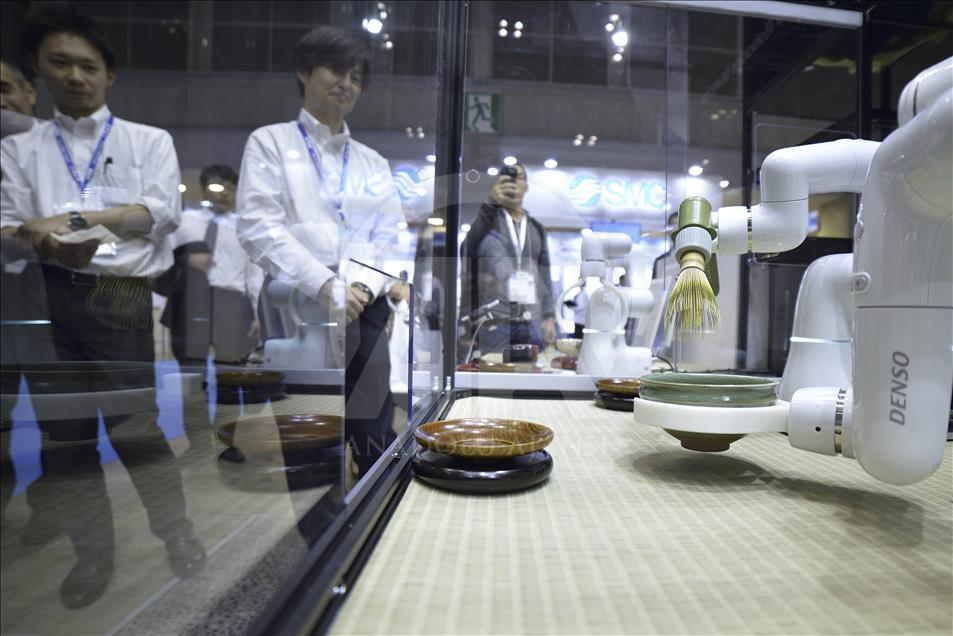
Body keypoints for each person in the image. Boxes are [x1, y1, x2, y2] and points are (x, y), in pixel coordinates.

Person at [0, 5, 205, 609]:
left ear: (109, 73)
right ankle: (93, 553)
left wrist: (67, 220)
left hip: (120, 292)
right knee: (66, 438)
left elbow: (158, 213)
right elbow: (8, 225)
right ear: (39, 71)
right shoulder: (19, 148)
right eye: (60, 63)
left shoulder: (148, 140)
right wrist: (44, 242)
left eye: (88, 65)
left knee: (136, 428)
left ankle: (176, 531)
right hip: (45, 291)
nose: (75, 76)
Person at [236, 25, 404, 477]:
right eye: (335, 70)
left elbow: (388, 235)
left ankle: (375, 510)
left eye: (356, 76)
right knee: (303, 429)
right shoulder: (270, 142)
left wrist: (361, 287)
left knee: (372, 429)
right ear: (303, 72)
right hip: (296, 300)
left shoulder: (372, 162)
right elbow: (257, 226)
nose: (346, 83)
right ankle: (314, 512)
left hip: (364, 307)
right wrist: (326, 284)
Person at [162, 164, 263, 367]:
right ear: (203, 189)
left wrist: (258, 314)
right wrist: (186, 260)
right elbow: (164, 259)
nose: (225, 193)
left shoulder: (245, 229)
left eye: (231, 188)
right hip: (191, 300)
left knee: (231, 369)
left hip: (231, 303)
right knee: (190, 367)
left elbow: (255, 274)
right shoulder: (183, 221)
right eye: (218, 187)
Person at [460, 164, 556, 356]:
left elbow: (544, 273)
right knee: (493, 371)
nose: (513, 182)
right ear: (498, 183)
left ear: (526, 186)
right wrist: (490, 204)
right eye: (507, 177)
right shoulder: (487, 221)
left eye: (518, 177)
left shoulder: (536, 228)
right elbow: (466, 249)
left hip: (531, 320)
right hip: (495, 321)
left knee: (531, 371)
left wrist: (549, 315)